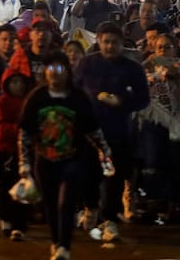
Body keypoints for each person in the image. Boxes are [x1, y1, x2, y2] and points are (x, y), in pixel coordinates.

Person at [18, 51, 114, 260]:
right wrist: (24, 163)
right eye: (50, 68)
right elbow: (25, 133)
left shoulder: (78, 97)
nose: (54, 73)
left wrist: (105, 151)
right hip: (44, 159)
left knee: (66, 202)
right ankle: (56, 242)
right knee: (51, 204)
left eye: (59, 68)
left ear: (67, 72)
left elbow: (93, 129)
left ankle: (64, 246)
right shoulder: (37, 97)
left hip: (73, 158)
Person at [72, 22, 150, 241]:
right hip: (88, 132)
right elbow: (73, 91)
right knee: (88, 173)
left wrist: (122, 101)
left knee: (113, 177)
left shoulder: (132, 68)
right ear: (98, 41)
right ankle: (89, 207)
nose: (110, 46)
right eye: (106, 42)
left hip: (117, 133)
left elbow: (143, 99)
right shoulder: (86, 64)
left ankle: (110, 219)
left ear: (122, 44)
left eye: (114, 42)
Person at [138, 33, 180, 220]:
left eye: (167, 47)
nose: (163, 50)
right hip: (153, 120)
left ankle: (173, 203)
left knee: (174, 162)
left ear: (175, 48)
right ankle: (153, 201)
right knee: (152, 161)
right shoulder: (147, 65)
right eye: (159, 47)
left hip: (177, 120)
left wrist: (176, 76)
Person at [0, 52, 34, 240]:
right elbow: (2, 127)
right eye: (14, 82)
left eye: (21, 82)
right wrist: (22, 129)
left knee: (23, 186)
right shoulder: (2, 102)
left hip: (24, 151)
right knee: (4, 186)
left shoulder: (28, 101)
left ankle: (20, 223)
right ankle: (6, 219)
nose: (18, 85)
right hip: (6, 150)